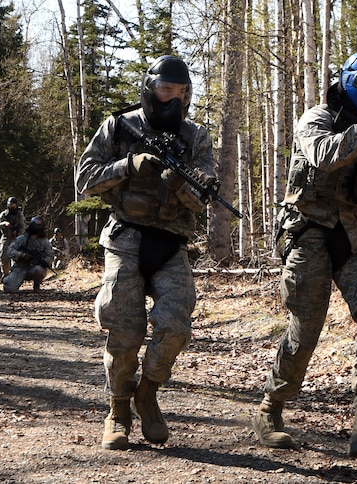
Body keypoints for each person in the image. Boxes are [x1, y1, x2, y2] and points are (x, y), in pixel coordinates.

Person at [252, 51, 357, 458]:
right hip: (309, 232)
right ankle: (270, 408)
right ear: (348, 82)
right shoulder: (318, 118)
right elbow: (326, 156)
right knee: (305, 331)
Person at [75, 55, 216, 451]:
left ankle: (148, 392)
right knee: (123, 327)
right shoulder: (120, 126)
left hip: (171, 243)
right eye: (165, 89)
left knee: (175, 325)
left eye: (180, 91)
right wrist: (129, 165)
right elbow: (85, 179)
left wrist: (179, 182)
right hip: (126, 237)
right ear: (150, 87)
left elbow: (204, 198)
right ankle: (118, 408)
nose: (172, 98)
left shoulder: (196, 137)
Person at [3, 216, 54, 293]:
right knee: (9, 289)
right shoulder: (21, 239)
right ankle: (8, 280)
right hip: (19, 268)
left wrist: (41, 261)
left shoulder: (45, 242)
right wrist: (21, 255)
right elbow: (10, 251)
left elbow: (50, 256)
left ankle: (36, 286)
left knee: (39, 270)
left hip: (34, 268)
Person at [0, 197, 26, 277]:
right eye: (10, 204)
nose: (12, 206)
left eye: (13, 205)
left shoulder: (19, 215)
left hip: (16, 239)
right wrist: (4, 223)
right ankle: (5, 275)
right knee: (4, 259)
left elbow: (23, 227)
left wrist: (18, 233)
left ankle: (14, 277)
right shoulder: (4, 214)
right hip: (5, 238)